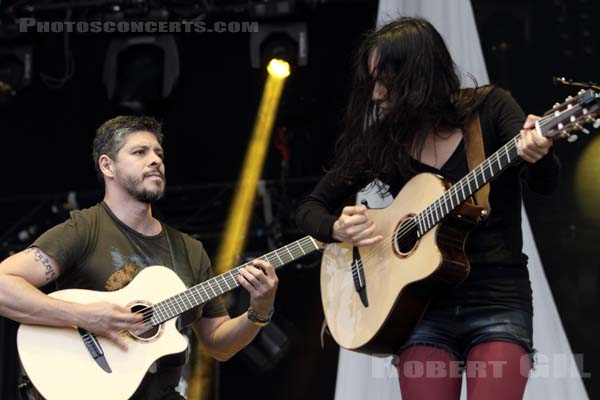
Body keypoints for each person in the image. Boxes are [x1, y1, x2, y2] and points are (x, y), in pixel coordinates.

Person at [295, 17, 559, 400]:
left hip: (497, 301)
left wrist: (539, 156)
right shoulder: (383, 141)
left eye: (387, 82)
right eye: (373, 82)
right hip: (420, 311)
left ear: (419, 77)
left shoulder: (491, 109)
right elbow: (309, 208)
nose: (377, 95)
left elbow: (545, 186)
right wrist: (336, 228)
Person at [0, 116, 278, 399]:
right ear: (107, 165)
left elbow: (219, 345)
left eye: (159, 153)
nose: (156, 160)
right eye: (140, 152)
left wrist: (259, 311)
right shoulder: (84, 229)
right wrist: (85, 316)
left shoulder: (189, 250)